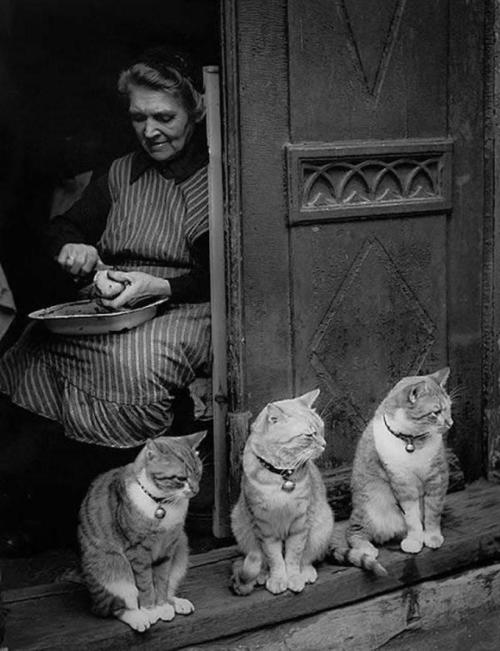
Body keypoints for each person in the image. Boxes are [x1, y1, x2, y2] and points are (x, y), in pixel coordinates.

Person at [0, 47, 212, 553]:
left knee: (127, 365)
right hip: (118, 299)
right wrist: (72, 247)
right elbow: (62, 228)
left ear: (196, 111)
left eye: (165, 117)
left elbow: (220, 277)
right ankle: (53, 510)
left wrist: (160, 286)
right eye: (139, 117)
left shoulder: (217, 179)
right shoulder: (120, 174)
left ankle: (129, 520)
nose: (150, 131)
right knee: (32, 344)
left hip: (190, 304)